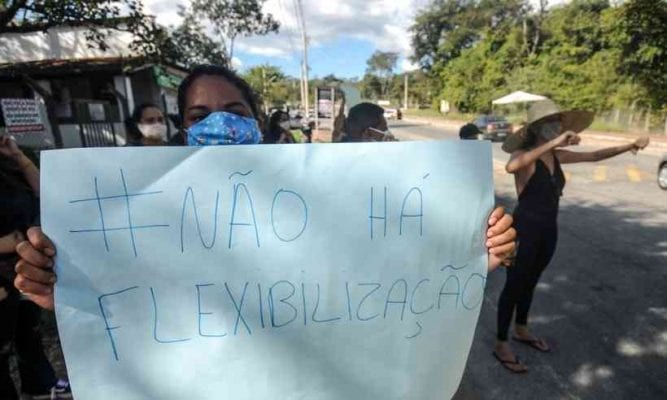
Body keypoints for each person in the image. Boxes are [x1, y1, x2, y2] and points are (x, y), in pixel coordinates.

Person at [13, 64, 515, 310]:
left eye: (235, 113)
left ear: (257, 125)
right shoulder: (137, 213)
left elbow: (379, 271)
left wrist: (470, 255)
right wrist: (64, 290)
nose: (219, 125)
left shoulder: (314, 199)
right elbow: (127, 299)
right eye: (199, 115)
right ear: (181, 128)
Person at [493, 100, 650, 373]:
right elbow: (511, 167)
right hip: (523, 231)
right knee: (514, 285)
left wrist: (629, 146)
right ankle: (501, 342)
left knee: (531, 282)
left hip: (548, 230)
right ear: (538, 128)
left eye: (559, 123)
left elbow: (594, 156)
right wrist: (552, 145)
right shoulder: (525, 153)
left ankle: (521, 328)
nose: (558, 127)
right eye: (552, 123)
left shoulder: (556, 156)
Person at [0, 136, 70, 399]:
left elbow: (46, 194)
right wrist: (10, 242)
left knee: (29, 332)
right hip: (6, 269)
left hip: (29, 266)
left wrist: (17, 155)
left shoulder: (10, 166)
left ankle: (40, 384)